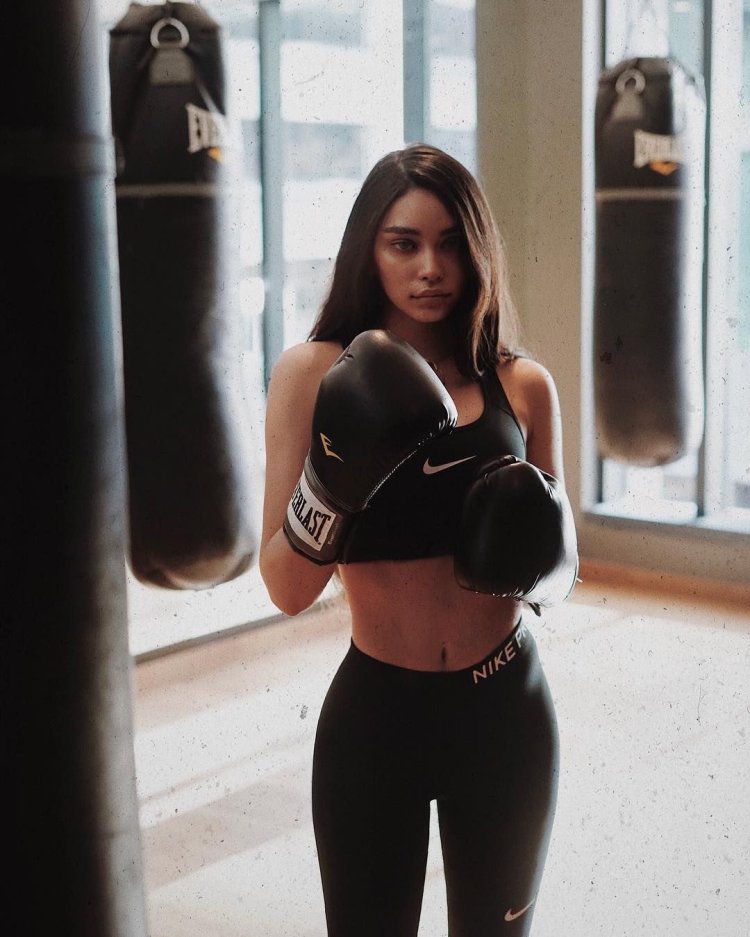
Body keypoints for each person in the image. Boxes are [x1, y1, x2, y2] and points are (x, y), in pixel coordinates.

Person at [259, 143, 578, 937]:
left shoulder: (522, 383)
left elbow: (564, 573)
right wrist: (335, 482)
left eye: (450, 243)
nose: (431, 267)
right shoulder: (314, 374)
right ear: (369, 249)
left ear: (478, 253)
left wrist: (534, 544)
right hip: (377, 717)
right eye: (404, 242)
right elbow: (286, 587)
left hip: (505, 709)